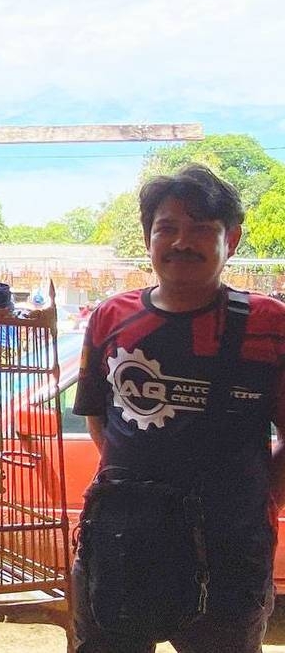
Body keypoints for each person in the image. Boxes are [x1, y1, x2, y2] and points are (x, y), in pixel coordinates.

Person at [71, 163, 285, 652]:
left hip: (231, 555)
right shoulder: (111, 317)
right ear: (149, 237)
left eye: (201, 230)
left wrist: (259, 502)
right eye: (167, 228)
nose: (181, 243)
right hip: (120, 545)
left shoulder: (269, 323)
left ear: (231, 238)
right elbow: (100, 419)